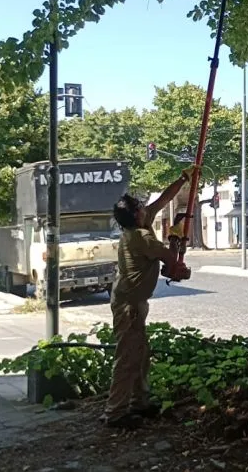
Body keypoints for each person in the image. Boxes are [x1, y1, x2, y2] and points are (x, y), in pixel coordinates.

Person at [103, 167, 195, 429]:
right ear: (136, 214)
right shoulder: (141, 237)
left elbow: (163, 199)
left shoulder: (140, 223)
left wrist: (184, 179)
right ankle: (115, 412)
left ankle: (138, 403)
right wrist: (176, 238)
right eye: (142, 206)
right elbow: (171, 261)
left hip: (132, 302)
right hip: (128, 305)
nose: (147, 208)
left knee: (141, 353)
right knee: (128, 356)